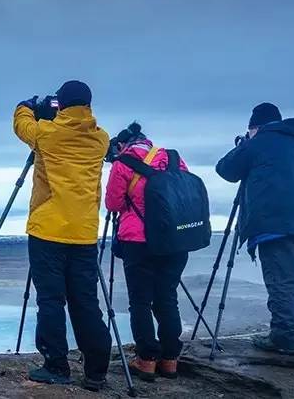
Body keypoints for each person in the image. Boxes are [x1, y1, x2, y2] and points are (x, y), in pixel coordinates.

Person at [216, 102, 294, 356]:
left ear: (255, 127)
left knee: (283, 283)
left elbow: (225, 169)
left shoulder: (258, 142)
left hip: (277, 225)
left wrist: (245, 144)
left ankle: (284, 339)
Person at [14, 80, 112, 391]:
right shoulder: (101, 139)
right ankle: (96, 370)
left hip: (48, 231)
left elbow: (22, 126)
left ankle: (56, 365)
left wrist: (27, 106)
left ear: (63, 105)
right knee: (85, 302)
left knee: (51, 300)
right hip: (84, 234)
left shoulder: (47, 133)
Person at [104, 122, 190, 381]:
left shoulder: (124, 163)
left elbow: (113, 203)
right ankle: (170, 359)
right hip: (175, 241)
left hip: (138, 241)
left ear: (122, 145)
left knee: (140, 301)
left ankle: (146, 359)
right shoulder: (174, 158)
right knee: (167, 298)